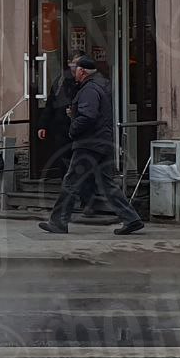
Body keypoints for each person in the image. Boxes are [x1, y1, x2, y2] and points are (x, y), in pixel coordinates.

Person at [40, 56, 144, 236]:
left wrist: (73, 126)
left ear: (82, 71)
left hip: (89, 144)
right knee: (107, 183)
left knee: (71, 182)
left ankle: (58, 222)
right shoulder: (100, 85)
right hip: (102, 142)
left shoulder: (89, 89)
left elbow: (88, 116)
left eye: (76, 70)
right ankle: (131, 219)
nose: (74, 74)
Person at [37, 55, 81, 176]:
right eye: (74, 64)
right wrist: (42, 125)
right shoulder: (61, 81)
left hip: (79, 128)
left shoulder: (84, 81)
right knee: (64, 160)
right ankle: (67, 187)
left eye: (79, 64)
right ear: (69, 63)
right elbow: (50, 104)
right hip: (61, 128)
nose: (76, 67)